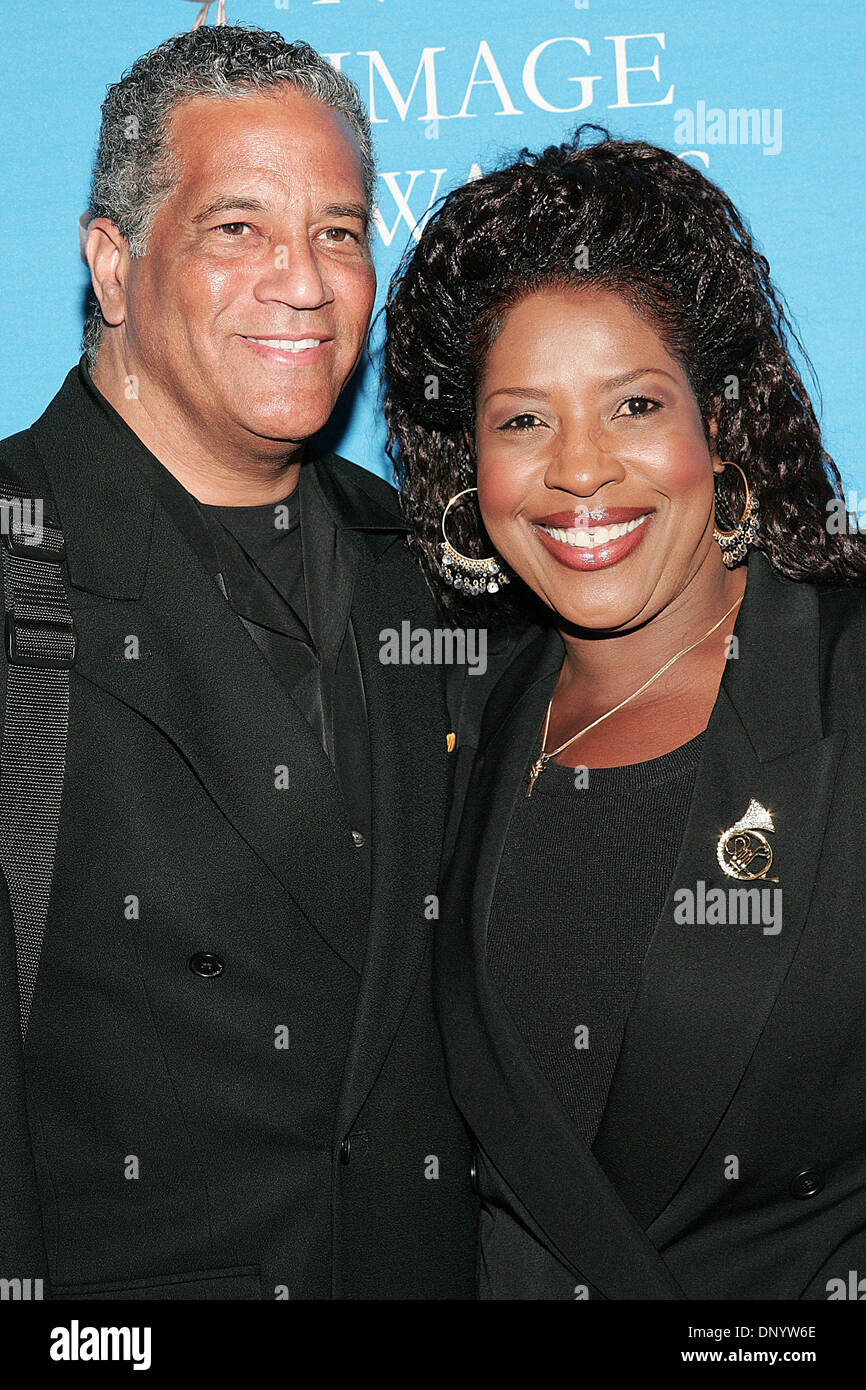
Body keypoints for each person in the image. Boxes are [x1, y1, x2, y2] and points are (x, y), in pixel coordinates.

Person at [0, 24, 477, 1300]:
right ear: (111, 263)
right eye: (236, 229)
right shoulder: (13, 560)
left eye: (337, 230)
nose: (306, 282)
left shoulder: (422, 564)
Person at [384, 127, 866, 1299]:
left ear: (718, 425)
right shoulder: (450, 710)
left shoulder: (844, 687)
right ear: (470, 473)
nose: (579, 470)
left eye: (633, 403)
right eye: (521, 420)